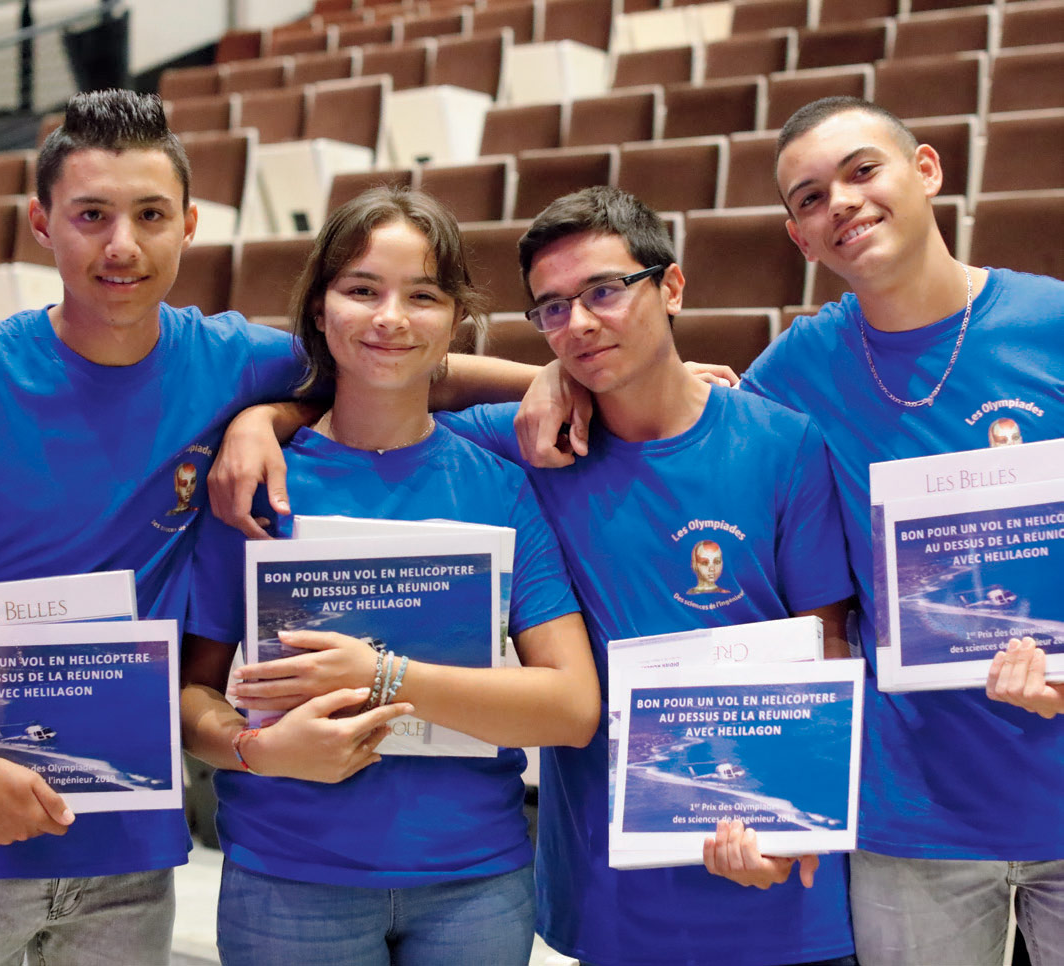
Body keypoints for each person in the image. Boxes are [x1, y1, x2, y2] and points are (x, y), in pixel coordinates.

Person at [0, 90, 539, 966]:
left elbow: (398, 364)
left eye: (149, 215)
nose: (121, 245)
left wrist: (570, 380)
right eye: (91, 215)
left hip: (128, 842)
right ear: (41, 223)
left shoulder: (226, 360)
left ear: (187, 223)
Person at [516, 98, 1064, 964]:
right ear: (798, 239)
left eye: (860, 171)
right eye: (809, 199)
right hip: (908, 816)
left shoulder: (1051, 322)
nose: (839, 203)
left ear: (925, 170)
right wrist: (557, 377)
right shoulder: (795, 375)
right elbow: (688, 419)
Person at [427, 186, 857, 966]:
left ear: (672, 286)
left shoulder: (782, 443)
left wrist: (797, 820)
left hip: (779, 880)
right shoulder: (535, 440)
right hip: (612, 894)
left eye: (603, 291)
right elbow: (393, 372)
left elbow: (827, 641)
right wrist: (538, 375)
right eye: (551, 308)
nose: (579, 323)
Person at [180, 186, 599, 966]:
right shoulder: (254, 482)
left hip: (475, 880)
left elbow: (571, 706)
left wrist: (383, 676)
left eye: (423, 296)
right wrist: (251, 749)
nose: (390, 319)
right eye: (362, 290)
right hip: (289, 878)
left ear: (453, 321)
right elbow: (188, 696)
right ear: (317, 307)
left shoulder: (497, 484)